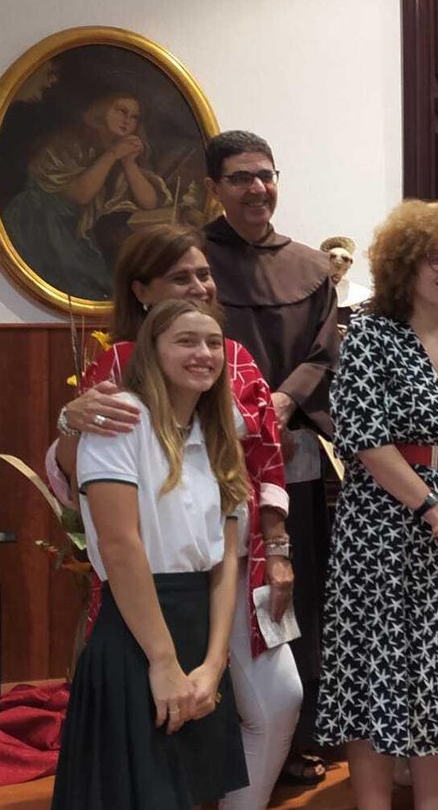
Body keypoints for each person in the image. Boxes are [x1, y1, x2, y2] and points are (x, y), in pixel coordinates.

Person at [45, 225, 302, 809]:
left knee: (272, 702)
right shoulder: (118, 379)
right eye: (180, 279)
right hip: (148, 595)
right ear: (142, 292)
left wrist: (278, 549)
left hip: (228, 576)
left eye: (203, 275)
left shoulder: (230, 371)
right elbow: (95, 502)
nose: (198, 287)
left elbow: (258, 463)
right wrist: (67, 424)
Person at [315, 200, 438, 810]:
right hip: (384, 525)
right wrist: (433, 511)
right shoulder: (371, 334)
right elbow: (363, 435)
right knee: (378, 675)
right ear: (406, 264)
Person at [51, 299, 249, 808]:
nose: (203, 353)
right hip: (140, 629)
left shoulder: (219, 428)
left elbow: (227, 560)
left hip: (199, 625)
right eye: (185, 341)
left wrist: (214, 661)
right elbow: (120, 546)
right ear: (151, 351)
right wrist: (162, 662)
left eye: (212, 342)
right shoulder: (122, 420)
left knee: (192, 793)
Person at [200, 130, 341, 783]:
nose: (258, 189)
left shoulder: (313, 267)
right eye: (241, 178)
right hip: (210, 454)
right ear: (215, 188)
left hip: (291, 448)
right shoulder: (193, 261)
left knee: (296, 589)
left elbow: (324, 352)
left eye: (266, 175)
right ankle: (217, 739)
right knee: (223, 592)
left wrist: (282, 402)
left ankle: (296, 736)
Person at [1, 92, 170, 299]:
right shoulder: (73, 141)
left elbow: (149, 202)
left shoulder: (123, 148)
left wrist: (129, 163)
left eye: (134, 117)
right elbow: (81, 195)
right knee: (88, 284)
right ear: (103, 109)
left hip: (80, 229)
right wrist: (113, 155)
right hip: (44, 224)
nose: (127, 121)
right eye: (121, 111)